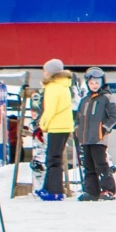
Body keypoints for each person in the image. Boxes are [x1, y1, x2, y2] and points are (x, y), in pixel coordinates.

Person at [74, 67, 116, 201]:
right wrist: (77, 128)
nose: (94, 85)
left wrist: (104, 128)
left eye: (97, 83)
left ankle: (108, 190)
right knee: (88, 165)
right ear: (87, 83)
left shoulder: (106, 98)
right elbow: (79, 117)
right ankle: (91, 191)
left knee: (101, 164)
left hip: (98, 138)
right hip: (85, 138)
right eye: (92, 83)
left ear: (102, 83)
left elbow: (113, 116)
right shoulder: (85, 100)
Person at [34, 59, 74, 201]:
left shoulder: (52, 88)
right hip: (65, 126)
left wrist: (42, 125)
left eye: (45, 70)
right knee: (54, 159)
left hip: (56, 127)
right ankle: (48, 189)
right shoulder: (64, 86)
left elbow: (50, 110)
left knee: (52, 160)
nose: (44, 73)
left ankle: (55, 191)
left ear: (50, 73)